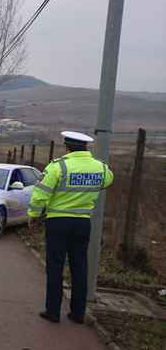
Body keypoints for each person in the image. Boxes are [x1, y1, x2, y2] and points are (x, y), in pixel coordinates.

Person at [29, 131, 114, 325]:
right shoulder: (100, 168)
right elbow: (108, 180)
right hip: (82, 223)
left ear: (67, 146)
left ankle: (53, 312)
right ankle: (78, 313)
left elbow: (40, 195)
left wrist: (33, 215)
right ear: (85, 147)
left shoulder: (58, 166)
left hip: (58, 222)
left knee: (55, 266)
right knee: (80, 266)